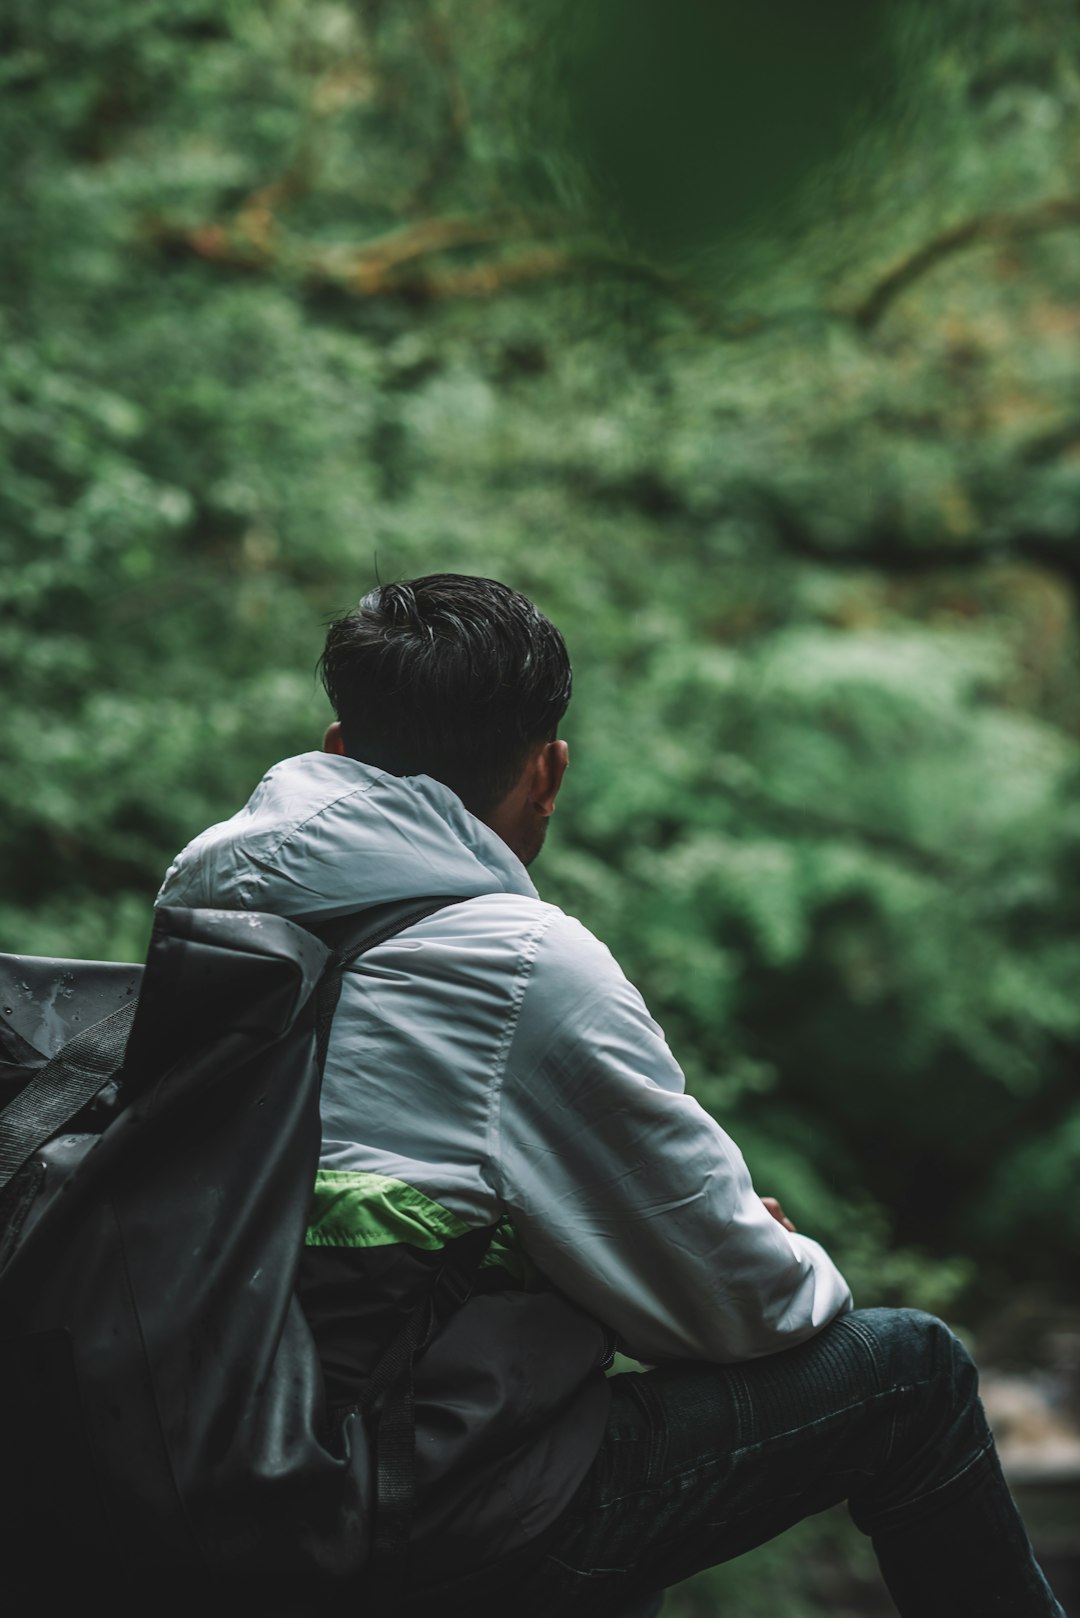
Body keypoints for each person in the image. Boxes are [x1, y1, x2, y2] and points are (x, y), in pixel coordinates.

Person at [157, 572, 1066, 1618]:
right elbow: (748, 1307)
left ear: (334, 751)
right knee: (913, 1375)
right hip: (404, 1520)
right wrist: (757, 1243)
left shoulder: (204, 911)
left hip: (218, 1468)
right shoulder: (518, 964)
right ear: (548, 772)